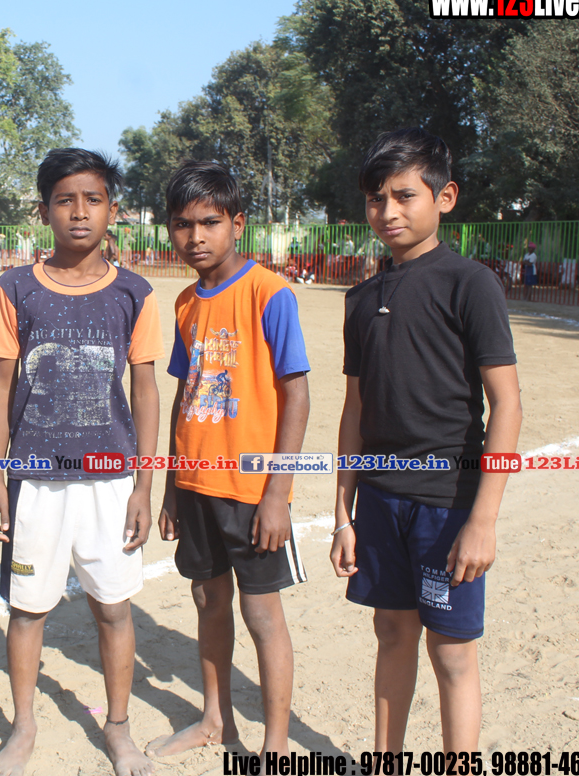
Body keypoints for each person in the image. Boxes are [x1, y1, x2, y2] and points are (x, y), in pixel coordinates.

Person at [330, 128, 522, 753]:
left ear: (445, 198)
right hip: (380, 502)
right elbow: (355, 411)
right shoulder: (361, 299)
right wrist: (343, 514)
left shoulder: (470, 284)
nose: (387, 212)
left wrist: (482, 520)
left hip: (448, 506)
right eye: (376, 199)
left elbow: (507, 404)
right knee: (391, 633)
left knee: (452, 652)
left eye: (404, 196)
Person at [0, 148, 162, 776]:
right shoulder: (15, 288)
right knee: (28, 610)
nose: (79, 212)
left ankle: (118, 728)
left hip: (111, 483)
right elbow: (0, 387)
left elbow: (145, 391)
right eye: (65, 200)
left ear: (113, 210)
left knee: (113, 609)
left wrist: (143, 486)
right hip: (35, 481)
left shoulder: (135, 293)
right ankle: (23, 726)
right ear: (44, 211)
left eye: (93, 199)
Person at [149, 162, 310, 758]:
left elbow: (297, 395)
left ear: (237, 224)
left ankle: (275, 745)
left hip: (251, 490)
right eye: (182, 224)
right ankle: (216, 720)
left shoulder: (270, 293)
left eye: (209, 223)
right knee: (207, 600)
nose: (195, 237)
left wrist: (278, 494)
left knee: (261, 614)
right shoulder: (185, 303)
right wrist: (172, 486)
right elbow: (184, 395)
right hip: (195, 483)